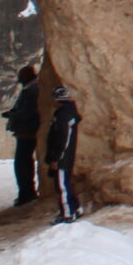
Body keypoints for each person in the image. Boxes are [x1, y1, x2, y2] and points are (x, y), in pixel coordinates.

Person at [1, 64, 42, 206]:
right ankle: (26, 192)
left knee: (22, 163)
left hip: (28, 131)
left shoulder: (32, 90)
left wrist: (13, 115)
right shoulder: (32, 88)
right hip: (27, 130)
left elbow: (29, 111)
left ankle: (27, 193)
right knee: (24, 162)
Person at [45, 84, 83, 224]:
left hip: (62, 158)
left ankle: (68, 214)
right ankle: (77, 208)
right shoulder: (69, 113)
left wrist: (56, 158)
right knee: (67, 183)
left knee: (62, 186)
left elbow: (62, 139)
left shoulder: (63, 115)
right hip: (66, 156)